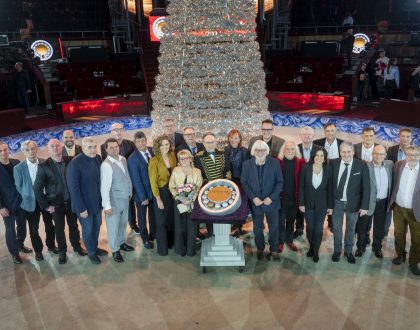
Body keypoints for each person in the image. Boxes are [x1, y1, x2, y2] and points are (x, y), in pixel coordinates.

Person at [34, 139, 87, 265]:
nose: (55, 148)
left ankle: (77, 247)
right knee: (59, 229)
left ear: (61, 147)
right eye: (52, 146)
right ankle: (62, 251)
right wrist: (46, 206)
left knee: (74, 226)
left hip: (71, 202)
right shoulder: (43, 166)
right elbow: (37, 188)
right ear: (48, 149)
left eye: (57, 145)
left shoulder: (70, 160)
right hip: (56, 205)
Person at [13, 141, 57, 261]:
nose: (31, 152)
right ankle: (38, 251)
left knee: (50, 226)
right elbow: (19, 186)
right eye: (27, 150)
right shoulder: (18, 168)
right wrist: (29, 195)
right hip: (30, 203)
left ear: (36, 149)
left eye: (33, 149)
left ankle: (51, 246)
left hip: (46, 200)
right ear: (23, 152)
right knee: (34, 229)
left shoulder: (45, 162)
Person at [241, 140, 284, 261]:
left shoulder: (275, 163)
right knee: (257, 228)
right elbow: (244, 183)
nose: (260, 152)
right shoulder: (246, 164)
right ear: (254, 151)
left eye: (263, 150)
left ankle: (274, 250)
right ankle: (260, 248)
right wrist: (253, 198)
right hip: (256, 203)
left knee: (274, 227)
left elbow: (280, 182)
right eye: (257, 150)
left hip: (272, 202)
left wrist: (271, 197)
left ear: (267, 151)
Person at [67, 137, 106, 264]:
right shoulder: (75, 164)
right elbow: (74, 189)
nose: (93, 149)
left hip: (97, 202)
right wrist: (81, 208)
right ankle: (91, 252)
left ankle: (94, 247)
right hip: (84, 206)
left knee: (96, 226)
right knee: (88, 229)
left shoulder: (97, 158)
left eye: (95, 146)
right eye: (90, 147)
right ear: (83, 148)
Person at [330, 141, 370, 264]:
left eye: (349, 152)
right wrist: (328, 204)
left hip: (354, 203)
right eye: (343, 152)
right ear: (340, 152)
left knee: (351, 229)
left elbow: (366, 187)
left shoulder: (361, 165)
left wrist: (364, 206)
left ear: (353, 152)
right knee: (336, 228)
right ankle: (337, 250)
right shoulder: (333, 163)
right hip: (337, 202)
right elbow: (329, 185)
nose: (346, 154)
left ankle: (348, 251)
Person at [355, 145, 393, 259]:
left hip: (383, 203)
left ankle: (377, 248)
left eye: (381, 154)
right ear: (372, 154)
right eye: (376, 153)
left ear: (385, 155)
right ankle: (360, 248)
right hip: (367, 203)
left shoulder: (390, 165)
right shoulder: (365, 166)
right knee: (362, 227)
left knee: (379, 228)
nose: (378, 156)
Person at [100, 138, 134, 263]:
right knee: (113, 226)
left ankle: (121, 243)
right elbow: (104, 187)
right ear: (106, 149)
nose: (115, 149)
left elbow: (126, 177)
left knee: (123, 223)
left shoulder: (123, 159)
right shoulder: (106, 165)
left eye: (116, 146)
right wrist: (107, 205)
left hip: (125, 199)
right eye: (111, 147)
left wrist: (129, 193)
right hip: (114, 201)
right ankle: (115, 250)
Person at [388, 146, 420, 275]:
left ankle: (414, 262)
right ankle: (400, 255)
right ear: (405, 155)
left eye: (416, 155)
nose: (413, 157)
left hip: (416, 210)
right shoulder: (398, 165)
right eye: (410, 154)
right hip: (399, 208)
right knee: (399, 234)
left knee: (417, 239)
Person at [100, 123, 137, 233]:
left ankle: (133, 224)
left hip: (129, 180)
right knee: (117, 213)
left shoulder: (130, 144)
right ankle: (117, 239)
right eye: (115, 130)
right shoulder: (104, 147)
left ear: (124, 130)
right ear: (111, 132)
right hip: (115, 185)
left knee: (131, 205)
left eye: (120, 129)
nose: (118, 132)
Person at [299, 148, 333, 263]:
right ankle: (312, 247)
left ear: (324, 158)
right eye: (317, 155)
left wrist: (330, 206)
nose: (319, 158)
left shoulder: (328, 169)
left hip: (322, 205)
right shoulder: (306, 168)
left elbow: (330, 189)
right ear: (313, 156)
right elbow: (301, 187)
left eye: (322, 156)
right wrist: (301, 203)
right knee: (309, 227)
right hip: (308, 204)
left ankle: (315, 251)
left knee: (318, 228)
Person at [195, 132, 232, 237]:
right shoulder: (198, 157)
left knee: (223, 211)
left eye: (212, 142)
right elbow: (199, 175)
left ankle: (224, 234)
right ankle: (211, 234)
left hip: (223, 188)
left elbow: (228, 171)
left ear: (216, 142)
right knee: (210, 213)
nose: (210, 144)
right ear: (203, 143)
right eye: (207, 142)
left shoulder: (223, 153)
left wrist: (225, 184)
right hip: (207, 190)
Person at [169, 149, 203, 257]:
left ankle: (191, 250)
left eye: (186, 158)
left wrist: (191, 199)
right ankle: (181, 250)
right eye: (181, 158)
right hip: (180, 202)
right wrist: (180, 198)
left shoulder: (197, 171)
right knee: (180, 227)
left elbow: (199, 187)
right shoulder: (176, 171)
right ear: (179, 160)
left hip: (192, 203)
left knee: (192, 227)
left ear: (190, 158)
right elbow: (172, 186)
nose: (184, 160)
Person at [0, 142, 29, 264]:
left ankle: (20, 244)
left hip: (21, 202)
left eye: (5, 149)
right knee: (10, 229)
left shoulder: (16, 162)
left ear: (8, 150)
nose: (3, 152)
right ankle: (14, 253)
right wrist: (1, 207)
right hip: (7, 205)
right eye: (0, 151)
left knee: (22, 226)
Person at [148, 135, 177, 256]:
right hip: (161, 192)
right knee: (161, 221)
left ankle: (171, 243)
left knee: (171, 219)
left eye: (167, 144)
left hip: (172, 192)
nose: (165, 147)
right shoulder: (154, 161)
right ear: (158, 147)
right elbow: (153, 182)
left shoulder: (172, 156)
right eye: (162, 145)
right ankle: (163, 248)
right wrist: (158, 199)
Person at [127, 131, 156, 249]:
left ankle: (152, 235)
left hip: (153, 191)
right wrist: (143, 197)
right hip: (141, 195)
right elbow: (136, 180)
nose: (141, 143)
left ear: (146, 140)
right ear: (135, 143)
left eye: (143, 140)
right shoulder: (132, 159)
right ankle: (145, 239)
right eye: (138, 141)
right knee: (142, 218)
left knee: (153, 216)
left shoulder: (152, 151)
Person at [277, 141, 305, 253]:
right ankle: (280, 241)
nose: (289, 151)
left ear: (296, 150)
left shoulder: (301, 162)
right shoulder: (278, 162)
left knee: (291, 221)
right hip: (280, 199)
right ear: (283, 150)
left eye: (292, 149)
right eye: (287, 149)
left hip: (294, 199)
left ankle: (289, 241)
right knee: (280, 222)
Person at [224, 129, 250, 236]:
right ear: (228, 139)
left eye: (236, 138)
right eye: (231, 137)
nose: (233, 140)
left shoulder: (245, 151)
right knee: (230, 203)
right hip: (229, 181)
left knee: (240, 204)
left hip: (241, 181)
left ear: (240, 139)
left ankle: (239, 227)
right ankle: (231, 224)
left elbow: (247, 167)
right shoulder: (225, 150)